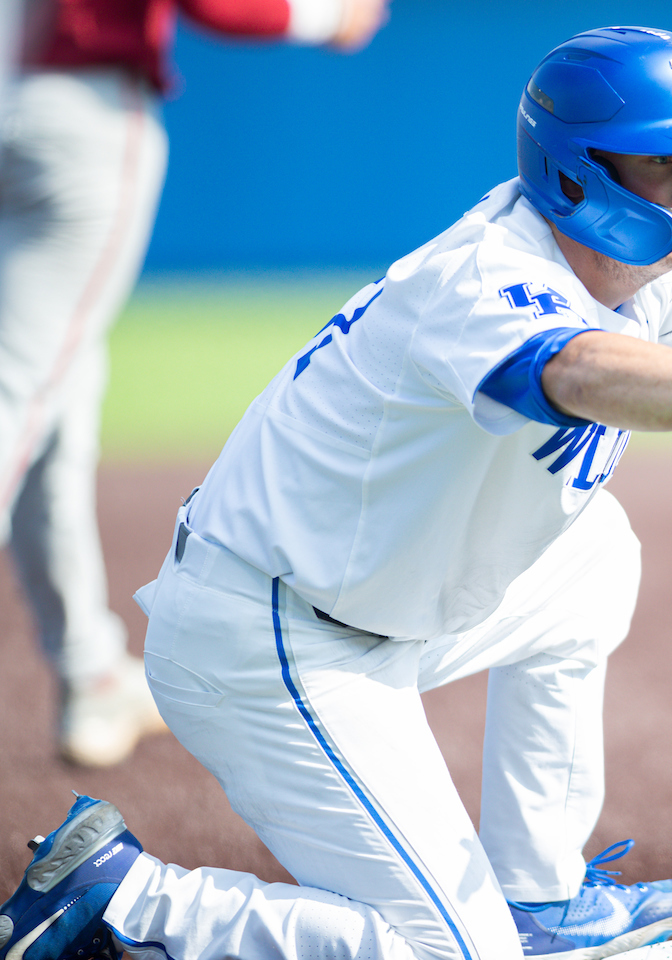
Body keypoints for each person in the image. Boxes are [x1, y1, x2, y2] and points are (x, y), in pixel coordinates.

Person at [0, 26, 672, 960]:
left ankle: (541, 889)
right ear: (574, 170)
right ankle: (126, 899)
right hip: (272, 642)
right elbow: (575, 373)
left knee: (596, 555)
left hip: (373, 609)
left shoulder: (659, 263)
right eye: (662, 162)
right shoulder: (482, 280)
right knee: (445, 956)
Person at [0, 0, 389, 768]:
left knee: (58, 406)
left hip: (16, 102)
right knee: (21, 393)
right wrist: (327, 15)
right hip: (79, 112)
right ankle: (91, 672)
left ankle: (90, 671)